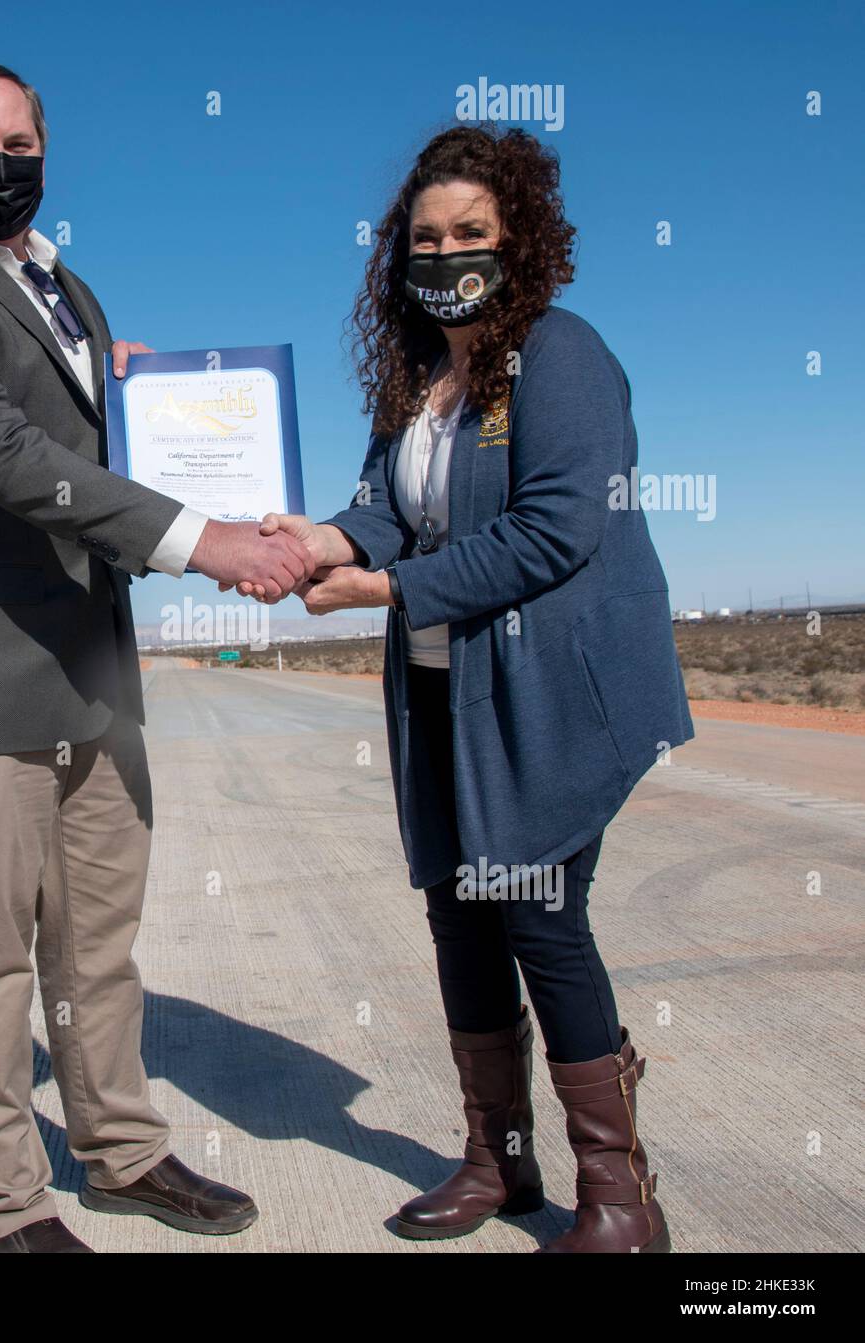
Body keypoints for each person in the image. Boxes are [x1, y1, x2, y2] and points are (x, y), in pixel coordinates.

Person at [0, 60, 313, 1253]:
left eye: (18, 144)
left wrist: (151, 408)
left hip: (90, 667)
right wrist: (203, 540)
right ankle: (6, 1206)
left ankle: (121, 1150)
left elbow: (80, 437)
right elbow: (1, 451)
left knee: (98, 938)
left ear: (45, 153)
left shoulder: (70, 290)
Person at [245, 125, 693, 1253]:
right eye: (425, 237)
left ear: (519, 240)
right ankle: (498, 1160)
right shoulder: (419, 382)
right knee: (459, 918)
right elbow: (384, 509)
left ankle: (620, 1193)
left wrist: (382, 588)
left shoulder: (560, 353)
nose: (444, 254)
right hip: (443, 695)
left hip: (546, 692)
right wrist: (315, 539)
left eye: (469, 234)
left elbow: (555, 532)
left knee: (540, 916)